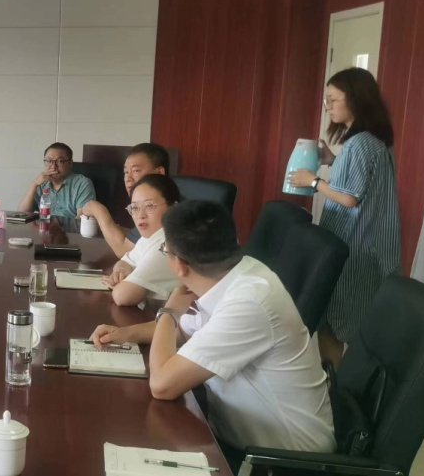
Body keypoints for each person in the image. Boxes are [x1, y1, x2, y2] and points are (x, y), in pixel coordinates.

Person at [90, 201, 335, 470]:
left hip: (282, 462)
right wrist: (126, 333)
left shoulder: (249, 302)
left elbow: (162, 385)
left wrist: (168, 312)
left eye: (164, 250)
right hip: (230, 434)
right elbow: (184, 332)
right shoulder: (236, 272)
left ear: (179, 265)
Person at [287, 67, 400, 366]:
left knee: (336, 320)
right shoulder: (373, 140)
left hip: (354, 245)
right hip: (369, 244)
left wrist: (313, 181)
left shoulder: (360, 143)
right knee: (348, 318)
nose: (328, 106)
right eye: (327, 100)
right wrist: (333, 160)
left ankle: (334, 384)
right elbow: (361, 181)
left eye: (333, 99)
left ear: (356, 99)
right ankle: (335, 383)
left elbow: (350, 197)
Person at [80, 143, 169, 257]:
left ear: (159, 172)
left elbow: (124, 251)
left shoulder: (165, 205)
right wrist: (102, 225)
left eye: (136, 171)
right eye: (126, 172)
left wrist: (98, 210)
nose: (128, 178)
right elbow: (136, 237)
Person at [104, 174, 181, 306]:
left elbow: (122, 296)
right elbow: (124, 262)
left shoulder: (168, 244)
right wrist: (120, 272)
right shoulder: (151, 237)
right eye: (135, 208)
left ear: (173, 208)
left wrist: (121, 282)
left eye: (150, 206)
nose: (140, 215)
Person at [16, 142, 95, 219]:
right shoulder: (41, 183)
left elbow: (82, 220)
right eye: (49, 161)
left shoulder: (82, 184)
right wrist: (34, 184)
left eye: (60, 161)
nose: (53, 167)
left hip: (70, 228)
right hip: (44, 226)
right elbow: (22, 214)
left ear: (70, 163)